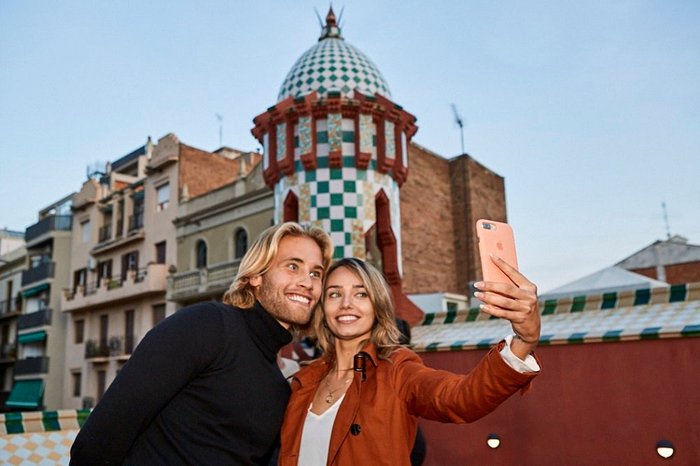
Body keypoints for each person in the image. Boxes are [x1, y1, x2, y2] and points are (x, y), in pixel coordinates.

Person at [70, 222, 333, 465]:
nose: (307, 282)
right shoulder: (207, 325)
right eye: (292, 266)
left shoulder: (279, 384)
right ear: (256, 276)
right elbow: (102, 436)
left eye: (316, 273)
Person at [278, 257, 541, 466]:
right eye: (334, 294)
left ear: (378, 306)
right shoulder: (305, 380)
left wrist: (524, 339)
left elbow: (462, 398)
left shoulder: (397, 371)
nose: (347, 303)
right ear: (322, 307)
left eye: (361, 294)